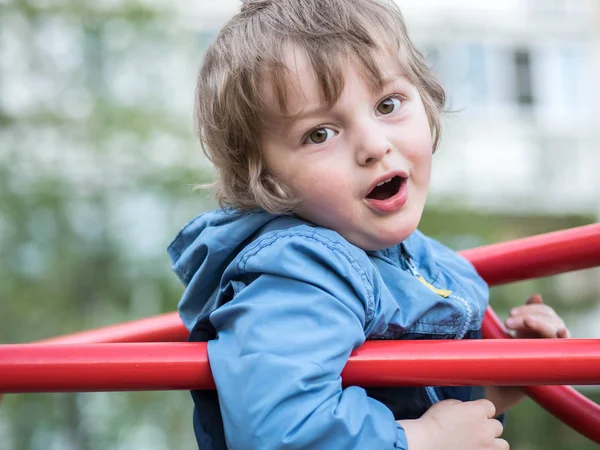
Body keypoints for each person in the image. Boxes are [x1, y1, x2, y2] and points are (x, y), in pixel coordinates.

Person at [167, 0, 570, 448]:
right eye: (320, 133)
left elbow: (424, 399)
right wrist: (422, 441)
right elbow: (279, 430)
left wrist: (505, 376)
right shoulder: (299, 274)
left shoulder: (420, 260)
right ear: (264, 176)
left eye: (388, 103)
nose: (374, 146)